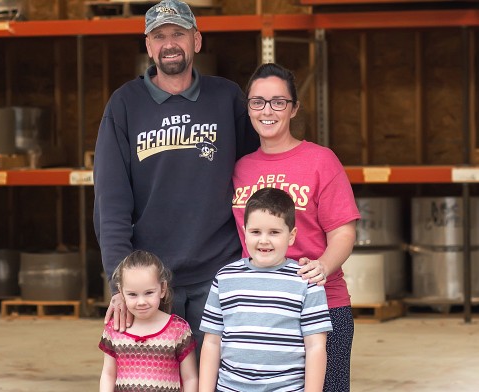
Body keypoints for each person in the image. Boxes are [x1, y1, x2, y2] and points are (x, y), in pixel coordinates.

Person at [92, 0, 259, 355]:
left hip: (219, 272)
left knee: (217, 378)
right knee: (157, 380)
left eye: (179, 34)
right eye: (160, 36)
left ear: (196, 41)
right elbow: (111, 202)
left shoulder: (227, 97)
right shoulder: (124, 105)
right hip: (149, 282)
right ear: (149, 45)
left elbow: (256, 178)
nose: (170, 43)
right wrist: (121, 284)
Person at [232, 63, 361, 392]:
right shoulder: (240, 168)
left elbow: (343, 232)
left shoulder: (321, 160)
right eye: (257, 102)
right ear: (248, 107)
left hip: (321, 305)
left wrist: (323, 266)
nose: (267, 111)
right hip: (259, 310)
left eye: (278, 101)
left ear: (294, 108)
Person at [199, 187, 333, 392]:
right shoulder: (225, 278)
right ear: (244, 233)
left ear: (291, 235)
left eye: (274, 232)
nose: (264, 240)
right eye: (255, 232)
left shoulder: (306, 280)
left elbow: (315, 347)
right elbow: (212, 343)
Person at [99, 249, 198, 392]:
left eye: (149, 293)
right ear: (121, 292)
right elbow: (108, 374)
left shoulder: (179, 329)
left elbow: (190, 378)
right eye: (132, 294)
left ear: (162, 289)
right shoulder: (114, 329)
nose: (141, 302)